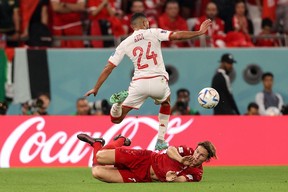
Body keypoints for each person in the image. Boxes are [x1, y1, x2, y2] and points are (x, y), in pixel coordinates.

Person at [84, 13, 212, 150]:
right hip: (159, 81)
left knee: (116, 119)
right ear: (145, 23)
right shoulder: (154, 32)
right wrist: (199, 32)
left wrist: (96, 87)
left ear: (132, 27)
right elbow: (177, 35)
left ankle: (117, 104)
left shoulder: (125, 43)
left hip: (139, 83)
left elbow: (108, 67)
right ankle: (161, 140)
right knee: (166, 103)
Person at [77, 133, 217, 183]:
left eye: (201, 155)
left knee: (97, 172)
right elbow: (170, 149)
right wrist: (181, 160)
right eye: (197, 151)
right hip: (145, 159)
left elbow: (182, 179)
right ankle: (121, 140)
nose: (196, 155)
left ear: (206, 159)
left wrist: (170, 178)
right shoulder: (187, 151)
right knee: (100, 157)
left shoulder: (197, 173)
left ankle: (97, 143)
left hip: (142, 177)